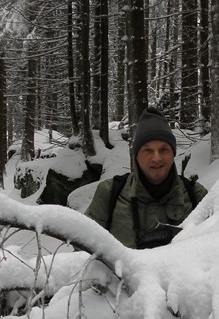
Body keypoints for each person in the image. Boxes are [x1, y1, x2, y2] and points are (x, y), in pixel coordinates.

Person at [85, 107, 207, 249]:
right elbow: (84, 249)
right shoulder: (110, 193)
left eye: (164, 149)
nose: (156, 158)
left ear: (173, 153)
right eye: (147, 150)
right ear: (136, 156)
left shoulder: (197, 196)